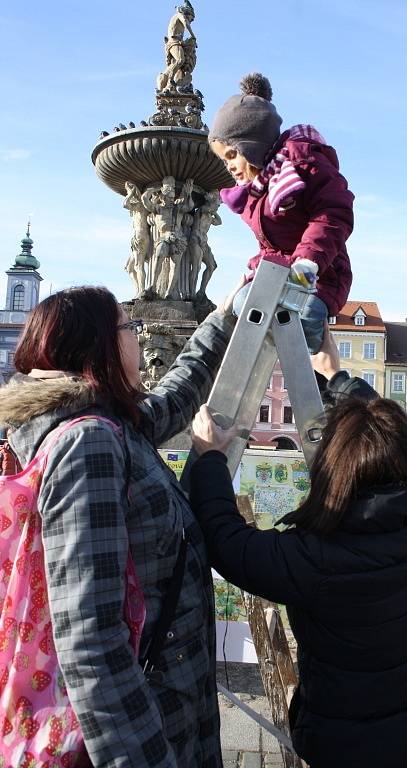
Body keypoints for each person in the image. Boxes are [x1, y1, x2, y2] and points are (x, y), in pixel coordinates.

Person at [0, 285, 236, 767]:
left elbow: (177, 394)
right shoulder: (87, 445)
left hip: (167, 698)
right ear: (101, 345)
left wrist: (228, 316)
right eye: (131, 328)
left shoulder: (107, 421)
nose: (140, 340)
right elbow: (91, 638)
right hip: (149, 720)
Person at [189, 396, 407, 768]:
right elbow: (391, 435)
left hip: (351, 751)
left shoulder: (318, 558)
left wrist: (211, 458)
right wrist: (337, 378)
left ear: (336, 466)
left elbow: (227, 543)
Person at [208, 73, 354, 354]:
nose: (228, 166)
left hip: (321, 274)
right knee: (241, 306)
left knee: (304, 321)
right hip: (278, 273)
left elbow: (333, 213)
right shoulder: (257, 190)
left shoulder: (301, 163)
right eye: (223, 159)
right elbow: (269, 245)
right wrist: (256, 272)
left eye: (231, 155)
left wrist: (307, 264)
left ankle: (320, 380)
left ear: (251, 145)